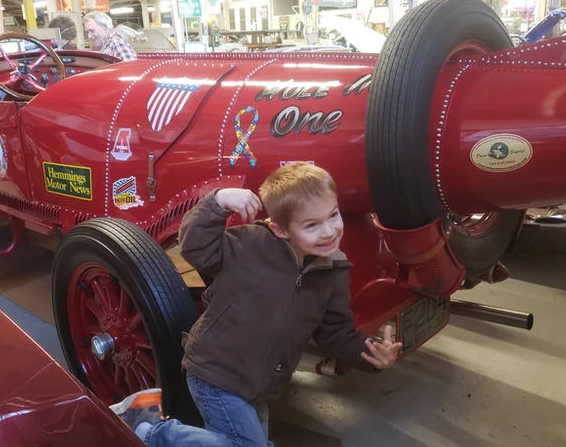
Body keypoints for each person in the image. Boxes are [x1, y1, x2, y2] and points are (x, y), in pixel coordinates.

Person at [111, 162, 403, 446]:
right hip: (215, 370)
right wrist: (218, 202)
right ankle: (148, 431)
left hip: (261, 386)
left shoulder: (334, 270)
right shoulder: (247, 244)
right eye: (311, 225)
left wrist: (370, 353)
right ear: (281, 229)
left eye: (333, 216)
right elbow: (195, 246)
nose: (328, 231)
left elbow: (336, 333)